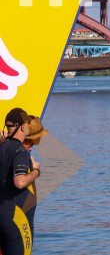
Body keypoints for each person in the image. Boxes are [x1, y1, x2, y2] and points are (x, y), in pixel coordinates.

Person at [0, 108, 40, 255]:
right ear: (23, 126)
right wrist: (36, 171)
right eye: (28, 124)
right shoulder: (19, 151)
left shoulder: (2, 147)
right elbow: (20, 182)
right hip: (16, 216)